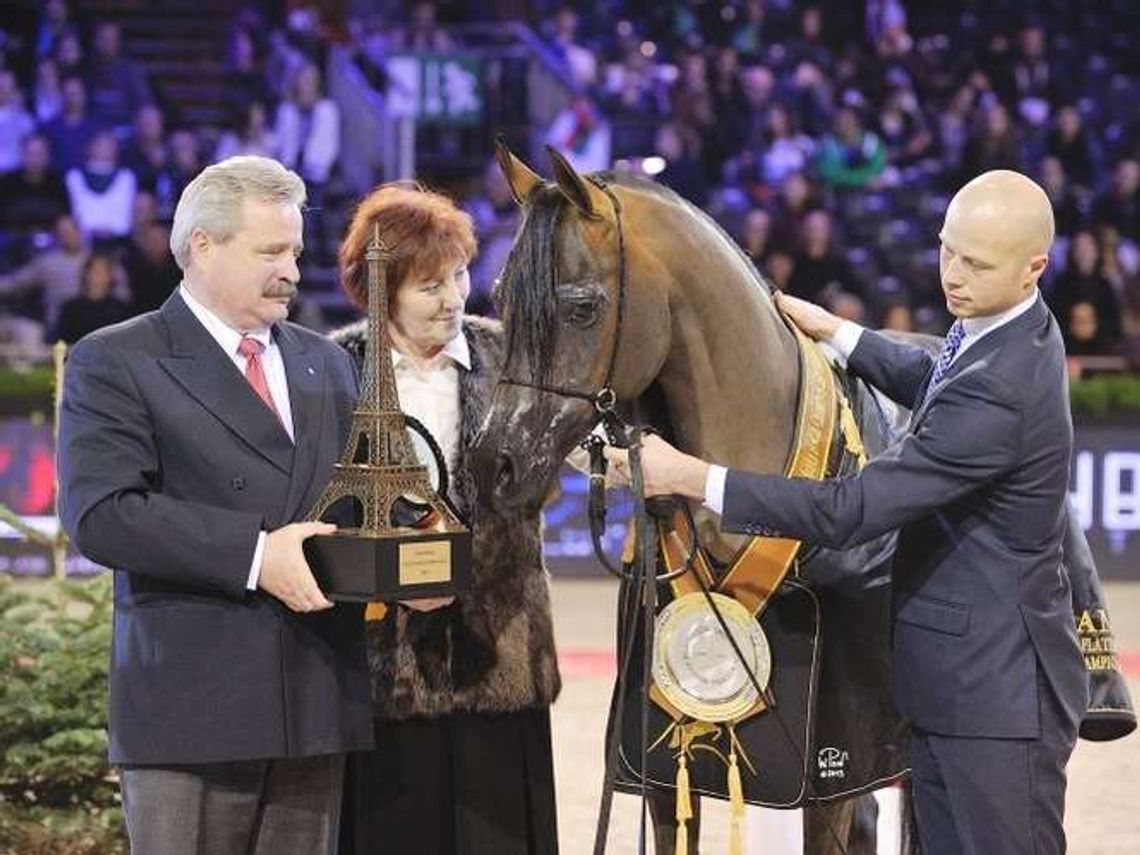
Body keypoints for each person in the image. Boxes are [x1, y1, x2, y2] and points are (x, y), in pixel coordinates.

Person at [634, 170, 1087, 855]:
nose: (952, 276)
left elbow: (853, 508)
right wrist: (840, 333)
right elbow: (937, 381)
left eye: (976, 263)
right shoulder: (1011, 329)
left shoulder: (1002, 391)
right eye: (946, 250)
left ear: (1034, 268)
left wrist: (694, 476)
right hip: (963, 684)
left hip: (993, 702)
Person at [56, 155, 372, 855]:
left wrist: (410, 563)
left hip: (317, 702)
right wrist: (258, 555)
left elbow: (359, 503)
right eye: (271, 251)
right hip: (190, 712)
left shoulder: (329, 361)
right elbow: (102, 513)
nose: (292, 268)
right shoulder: (115, 359)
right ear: (202, 246)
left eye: (294, 249)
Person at [332, 184, 561, 855]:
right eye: (430, 285)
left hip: (502, 661)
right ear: (382, 291)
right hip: (383, 673)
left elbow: (556, 470)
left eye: (459, 275)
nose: (453, 298)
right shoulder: (334, 367)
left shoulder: (515, 358)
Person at [53, 250, 130, 343]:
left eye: (103, 270)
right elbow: (61, 342)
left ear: (110, 276)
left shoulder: (121, 308)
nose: (98, 274)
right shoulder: (71, 307)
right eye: (95, 270)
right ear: (86, 274)